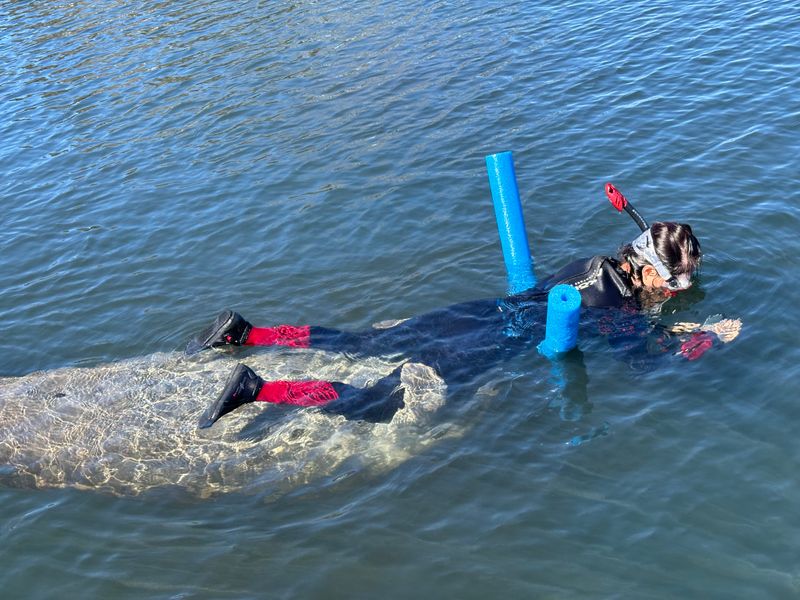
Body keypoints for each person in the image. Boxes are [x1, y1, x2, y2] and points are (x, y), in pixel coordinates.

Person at [189, 215, 738, 429]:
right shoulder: (619, 311)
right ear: (646, 268)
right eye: (675, 281)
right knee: (383, 402)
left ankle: (247, 334)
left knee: (365, 342)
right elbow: (644, 367)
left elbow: (573, 295)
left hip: (481, 310)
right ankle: (263, 389)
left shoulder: (595, 264)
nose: (677, 290)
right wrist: (705, 337)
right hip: (492, 342)